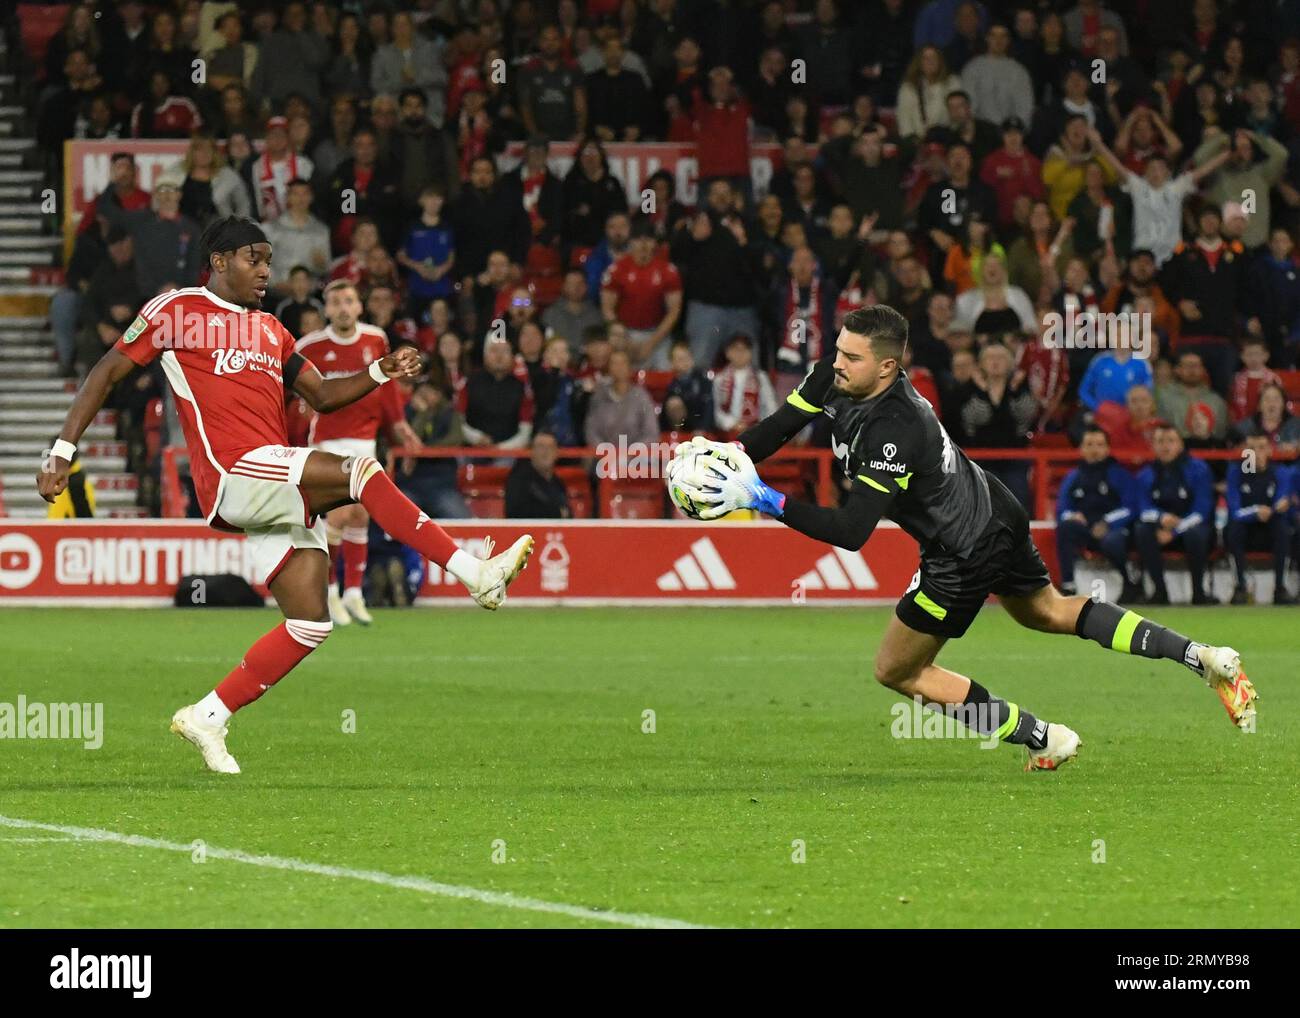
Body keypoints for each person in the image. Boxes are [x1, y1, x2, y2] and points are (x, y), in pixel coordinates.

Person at [37, 216, 534, 775]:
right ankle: (474, 572)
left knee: (309, 622)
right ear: (219, 261)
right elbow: (107, 372)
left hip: (270, 478)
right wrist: (61, 449)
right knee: (359, 470)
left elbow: (321, 394)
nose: (265, 270)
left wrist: (379, 369)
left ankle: (207, 716)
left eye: (269, 259)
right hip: (234, 473)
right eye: (253, 257)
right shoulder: (175, 312)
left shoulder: (271, 330)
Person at [668, 306, 1256, 775]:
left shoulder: (892, 429)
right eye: (839, 349)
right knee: (1048, 611)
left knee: (898, 669)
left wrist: (762, 499)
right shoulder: (836, 377)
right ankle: (1203, 658)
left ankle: (1044, 737)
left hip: (959, 550)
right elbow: (780, 427)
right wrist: (729, 456)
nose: (836, 363)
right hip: (995, 509)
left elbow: (851, 533)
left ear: (889, 368)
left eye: (851, 356)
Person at [298, 279, 420, 627]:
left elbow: (387, 387)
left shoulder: (375, 339)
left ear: (359, 306)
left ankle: (352, 593)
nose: (342, 308)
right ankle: (331, 590)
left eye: (348, 301)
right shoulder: (311, 346)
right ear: (326, 309)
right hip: (328, 443)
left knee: (360, 518)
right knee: (339, 516)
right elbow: (294, 390)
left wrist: (399, 426)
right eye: (335, 302)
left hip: (365, 441)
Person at [1133, 425, 1218, 605]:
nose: (1165, 446)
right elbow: (1142, 508)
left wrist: (1174, 531)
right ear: (1153, 446)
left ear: (1180, 444)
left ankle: (1198, 592)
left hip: (1191, 528)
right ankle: (1160, 592)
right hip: (1160, 530)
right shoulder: (1145, 475)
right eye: (1160, 441)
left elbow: (1202, 510)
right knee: (1141, 530)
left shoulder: (1199, 469)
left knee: (1197, 534)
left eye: (1170, 441)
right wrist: (1160, 518)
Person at [1055, 426, 1141, 601]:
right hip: (1086, 528)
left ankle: (1130, 583)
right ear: (1081, 448)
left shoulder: (1119, 474)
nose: (1094, 450)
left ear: (1108, 449)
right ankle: (1068, 585)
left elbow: (1130, 508)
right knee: (1065, 528)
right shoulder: (1073, 476)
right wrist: (1071, 515)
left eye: (1099, 445)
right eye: (1089, 444)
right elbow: (1062, 508)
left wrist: (1107, 522)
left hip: (1113, 530)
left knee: (1113, 540)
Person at [1224, 433, 1294, 605]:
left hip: (1270, 529)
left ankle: (1280, 588)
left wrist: (1276, 507)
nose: (1256, 453)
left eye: (1261, 448)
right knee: (1232, 530)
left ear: (1269, 450)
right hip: (1246, 531)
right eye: (1251, 449)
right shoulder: (1236, 473)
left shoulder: (1280, 472)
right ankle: (1240, 587)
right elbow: (1235, 511)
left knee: (1284, 528)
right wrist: (1256, 511)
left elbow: (1282, 500)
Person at [506, 431, 572, 518]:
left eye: (550, 447)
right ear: (532, 451)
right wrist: (556, 513)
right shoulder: (518, 478)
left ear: (556, 453)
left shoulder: (558, 483)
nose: (546, 452)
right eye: (541, 447)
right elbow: (514, 511)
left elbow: (568, 513)